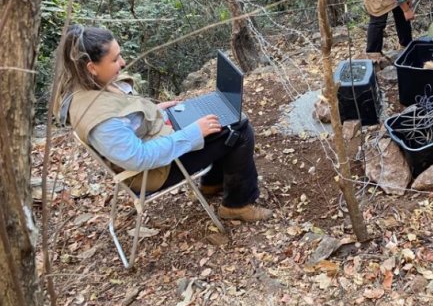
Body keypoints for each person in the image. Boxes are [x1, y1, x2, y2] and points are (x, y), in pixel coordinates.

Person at [52, 25, 271, 222]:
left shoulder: (87, 86)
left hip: (158, 140)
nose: (123, 63)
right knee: (239, 128)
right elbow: (139, 158)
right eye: (115, 59)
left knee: (222, 118)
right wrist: (193, 132)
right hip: (153, 171)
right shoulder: (101, 120)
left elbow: (126, 121)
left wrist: (156, 112)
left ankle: (212, 185)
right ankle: (237, 205)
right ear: (91, 67)